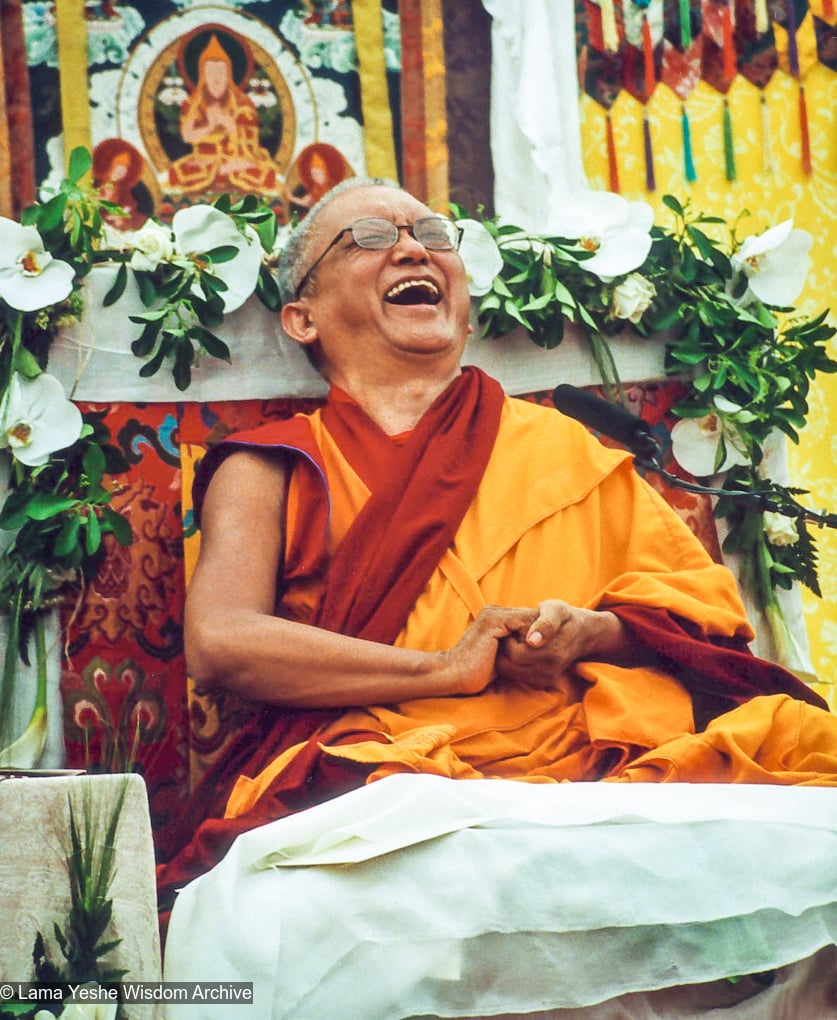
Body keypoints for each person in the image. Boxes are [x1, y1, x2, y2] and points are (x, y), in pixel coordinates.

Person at [156, 177, 836, 919]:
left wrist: (591, 631)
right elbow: (222, 643)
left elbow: (698, 620)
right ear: (302, 317)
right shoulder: (271, 465)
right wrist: (444, 670)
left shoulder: (563, 445)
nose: (414, 248)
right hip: (395, 772)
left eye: (433, 236)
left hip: (610, 759)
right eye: (371, 239)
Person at [167, 33, 279, 195]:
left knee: (264, 173)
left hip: (237, 159)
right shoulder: (193, 103)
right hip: (205, 160)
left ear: (228, 73)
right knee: (176, 172)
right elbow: (187, 136)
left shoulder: (243, 103)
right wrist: (210, 125)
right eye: (211, 71)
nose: (216, 77)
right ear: (203, 74)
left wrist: (230, 125)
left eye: (220, 70)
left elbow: (250, 142)